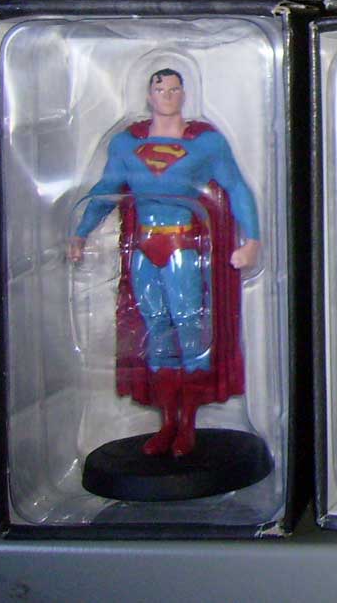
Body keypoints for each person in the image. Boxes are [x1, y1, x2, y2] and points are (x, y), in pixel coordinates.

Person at [69, 68, 261, 458]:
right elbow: (106, 190)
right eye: (160, 89)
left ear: (184, 94)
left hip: (182, 246)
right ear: (149, 94)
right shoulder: (127, 144)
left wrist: (252, 240)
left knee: (189, 329)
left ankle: (187, 425)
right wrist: (81, 232)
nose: (168, 95)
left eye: (174, 89)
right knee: (156, 332)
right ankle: (168, 423)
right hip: (144, 247)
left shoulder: (205, 143)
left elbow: (236, 187)